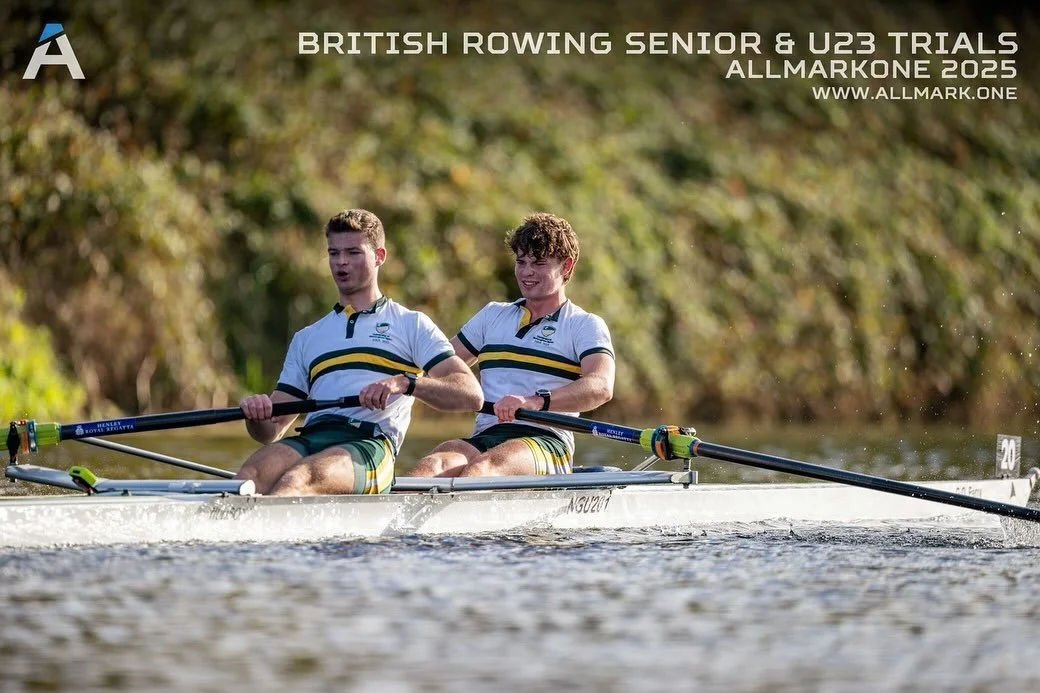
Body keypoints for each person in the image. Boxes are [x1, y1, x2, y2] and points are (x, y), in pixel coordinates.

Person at [235, 209, 483, 495]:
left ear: (379, 256)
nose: (341, 262)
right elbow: (270, 432)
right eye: (333, 253)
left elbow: (470, 394)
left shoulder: (411, 324)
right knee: (246, 478)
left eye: (353, 252)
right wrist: (257, 415)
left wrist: (405, 383)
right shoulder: (308, 338)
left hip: (369, 445)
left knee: (298, 480)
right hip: (313, 437)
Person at [410, 212, 614, 478]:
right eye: (521, 262)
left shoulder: (584, 325)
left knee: (482, 470)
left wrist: (534, 402)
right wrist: (404, 382)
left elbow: (601, 386)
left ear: (566, 266)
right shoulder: (492, 315)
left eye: (539, 263)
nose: (527, 272)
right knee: (428, 468)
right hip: (487, 434)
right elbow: (440, 367)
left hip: (546, 441)